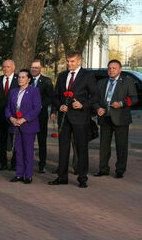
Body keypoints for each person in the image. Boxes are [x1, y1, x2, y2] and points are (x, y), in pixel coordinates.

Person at [49, 51, 98, 188]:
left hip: (80, 118)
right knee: (63, 148)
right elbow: (55, 96)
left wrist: (83, 104)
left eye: (72, 61)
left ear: (79, 61)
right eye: (67, 61)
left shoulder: (87, 76)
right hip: (64, 118)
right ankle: (62, 177)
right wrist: (60, 106)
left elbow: (95, 96)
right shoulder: (62, 76)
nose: (69, 64)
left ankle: (82, 178)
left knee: (81, 148)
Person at [94, 59, 138, 179]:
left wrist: (122, 103)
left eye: (114, 68)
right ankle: (103, 169)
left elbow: (134, 98)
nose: (111, 70)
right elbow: (95, 99)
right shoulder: (101, 83)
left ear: (120, 70)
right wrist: (97, 108)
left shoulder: (127, 82)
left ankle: (120, 170)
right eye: (109, 68)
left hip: (121, 118)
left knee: (121, 146)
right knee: (104, 146)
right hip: (105, 119)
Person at [5, 69, 41, 183]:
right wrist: (11, 118)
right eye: (19, 77)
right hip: (15, 125)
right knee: (18, 151)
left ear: (29, 79)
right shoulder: (13, 92)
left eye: (23, 77)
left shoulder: (34, 91)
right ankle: (19, 174)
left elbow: (36, 108)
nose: (20, 79)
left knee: (28, 151)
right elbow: (7, 108)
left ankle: (28, 175)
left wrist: (24, 119)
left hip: (28, 125)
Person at [30, 60, 54, 173]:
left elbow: (51, 97)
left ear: (40, 69)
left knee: (41, 141)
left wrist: (41, 105)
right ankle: (27, 162)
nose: (34, 69)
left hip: (41, 116)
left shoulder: (46, 81)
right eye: (32, 67)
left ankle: (42, 164)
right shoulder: (27, 80)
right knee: (28, 140)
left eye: (36, 67)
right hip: (28, 116)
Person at [0, 59, 16, 170]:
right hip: (0, 115)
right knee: (2, 140)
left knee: (15, 140)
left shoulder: (19, 79)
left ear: (13, 67)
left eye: (8, 67)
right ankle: (3, 163)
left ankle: (15, 163)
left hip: (14, 116)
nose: (5, 69)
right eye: (4, 67)